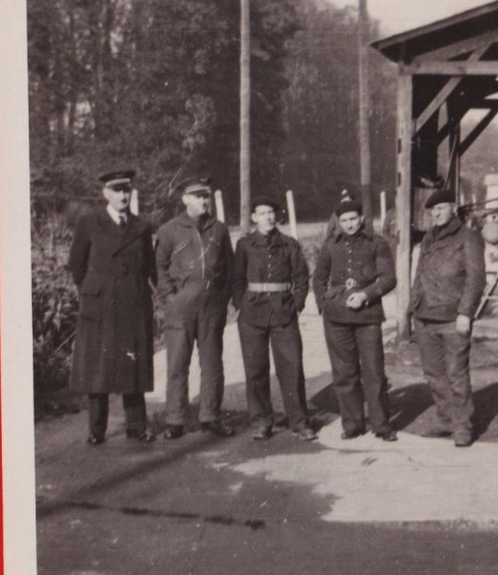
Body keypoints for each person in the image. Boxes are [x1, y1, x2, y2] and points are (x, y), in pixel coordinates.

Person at [68, 169, 157, 444]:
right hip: (101, 303)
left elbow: (149, 266)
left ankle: (136, 427)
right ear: (105, 193)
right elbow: (76, 264)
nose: (122, 195)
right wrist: (94, 290)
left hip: (132, 300)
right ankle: (97, 431)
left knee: (133, 364)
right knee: (99, 369)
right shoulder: (90, 222)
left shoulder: (141, 227)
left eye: (126, 190)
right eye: (117, 190)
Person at [155, 173, 234, 441]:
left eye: (206, 196)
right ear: (185, 199)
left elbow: (229, 266)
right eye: (199, 196)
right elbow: (159, 268)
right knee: (178, 362)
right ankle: (175, 419)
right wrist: (170, 298)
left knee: (212, 363)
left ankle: (210, 416)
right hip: (181, 307)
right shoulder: (169, 230)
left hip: (212, 307)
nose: (204, 201)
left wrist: (224, 299)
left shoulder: (219, 229)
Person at [231, 197, 316, 442]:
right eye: (262, 213)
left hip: (283, 312)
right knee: (255, 369)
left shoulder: (289, 244)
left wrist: (297, 304)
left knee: (292, 368)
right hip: (252, 313)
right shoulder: (245, 245)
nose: (268, 217)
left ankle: (299, 422)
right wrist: (240, 305)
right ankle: (261, 422)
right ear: (254, 218)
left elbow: (301, 277)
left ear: (277, 216)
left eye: (271, 212)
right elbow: (236, 279)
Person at [313, 198, 397, 441]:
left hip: (367, 317)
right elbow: (318, 279)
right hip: (336, 318)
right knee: (344, 372)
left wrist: (366, 295)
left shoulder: (376, 243)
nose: (349, 225)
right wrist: (324, 305)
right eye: (344, 221)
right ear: (338, 222)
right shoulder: (331, 245)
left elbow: (388, 278)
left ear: (361, 219)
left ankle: (381, 425)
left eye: (353, 219)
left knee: (374, 371)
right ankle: (352, 424)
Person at [410, 186, 487, 447]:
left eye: (441, 208)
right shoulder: (429, 238)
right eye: (433, 210)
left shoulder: (468, 237)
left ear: (453, 207)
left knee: (456, 374)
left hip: (453, 318)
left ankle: (463, 426)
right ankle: (445, 420)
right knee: (433, 374)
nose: (436, 214)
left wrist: (466, 312)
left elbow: (476, 279)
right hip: (425, 317)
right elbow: (419, 275)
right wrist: (413, 309)